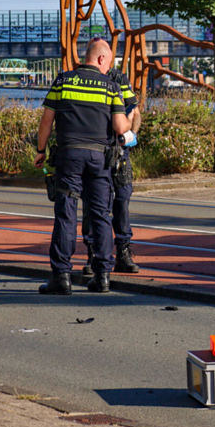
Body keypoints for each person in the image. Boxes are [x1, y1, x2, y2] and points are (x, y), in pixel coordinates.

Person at [34, 38, 131, 295]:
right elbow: (120, 127)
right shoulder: (111, 86)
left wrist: (41, 150)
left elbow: (46, 121)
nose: (108, 67)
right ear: (101, 59)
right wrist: (131, 122)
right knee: (100, 214)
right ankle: (102, 277)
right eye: (108, 62)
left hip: (69, 156)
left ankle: (62, 277)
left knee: (66, 213)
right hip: (99, 159)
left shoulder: (63, 81)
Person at [81, 67, 141, 276]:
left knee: (122, 201)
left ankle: (123, 253)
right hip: (95, 150)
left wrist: (130, 135)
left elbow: (135, 112)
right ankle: (93, 253)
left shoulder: (119, 79)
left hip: (119, 151)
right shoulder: (82, 80)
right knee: (93, 203)